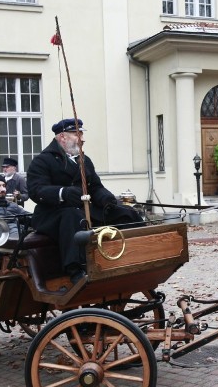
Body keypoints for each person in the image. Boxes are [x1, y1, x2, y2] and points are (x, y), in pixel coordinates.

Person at [26, 118, 143, 284]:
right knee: (73, 217)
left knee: (126, 213)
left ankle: (138, 253)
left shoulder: (84, 160)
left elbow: (95, 187)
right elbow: (36, 190)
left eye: (81, 133)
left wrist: (107, 199)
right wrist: (63, 193)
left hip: (84, 209)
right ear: (62, 137)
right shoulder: (43, 160)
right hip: (53, 215)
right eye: (76, 133)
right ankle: (75, 269)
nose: (81, 138)